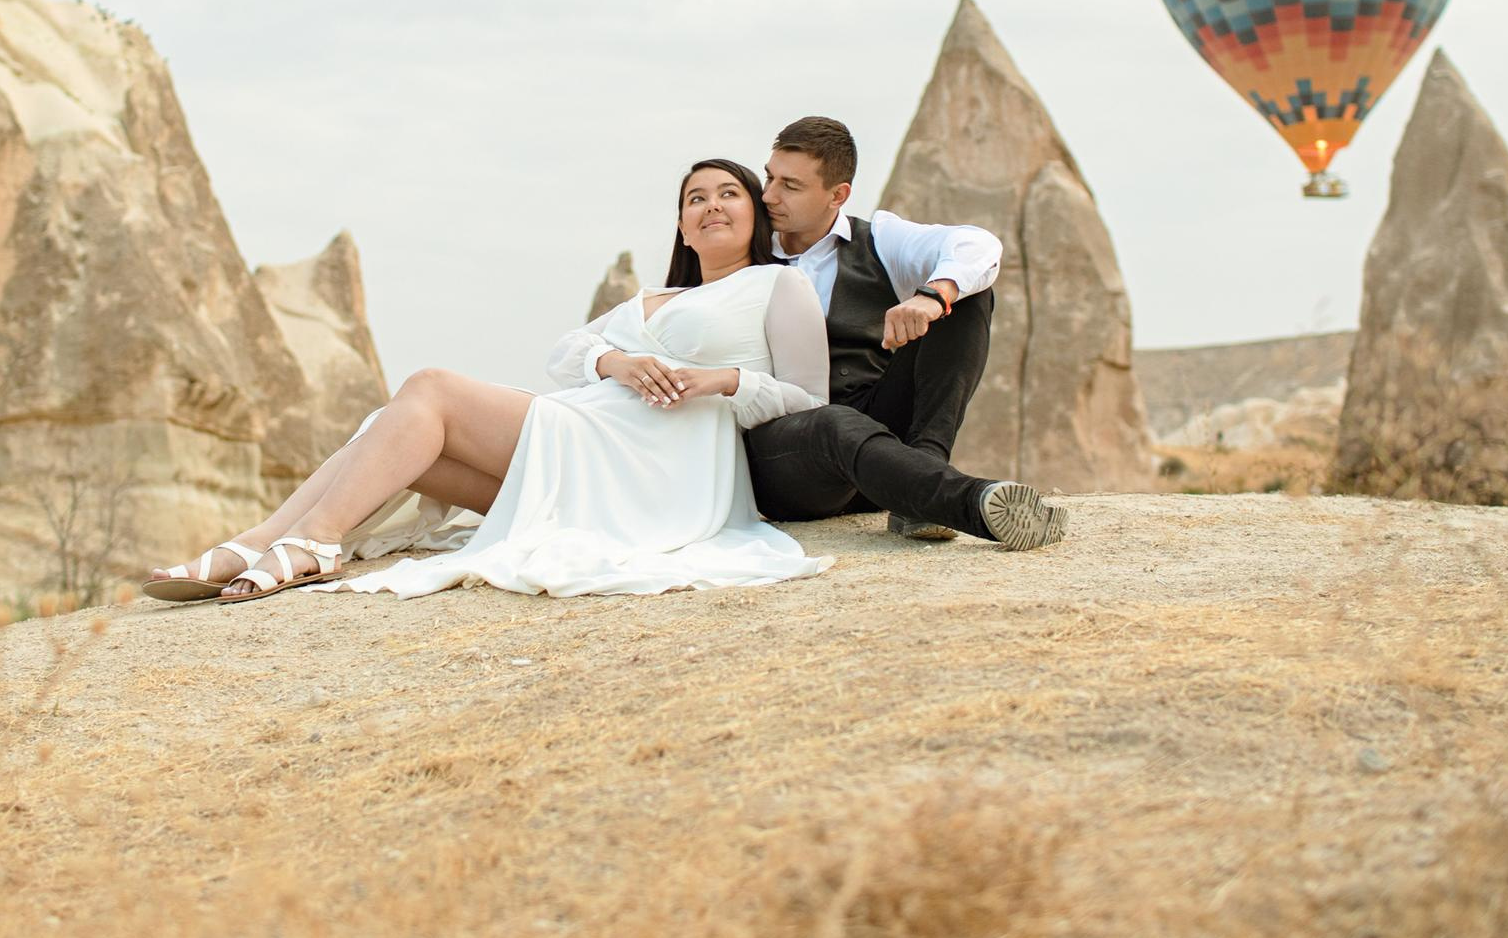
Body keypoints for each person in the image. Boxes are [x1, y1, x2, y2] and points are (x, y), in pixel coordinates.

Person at [141, 158, 832, 603]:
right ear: (680, 224)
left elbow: (809, 400)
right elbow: (565, 353)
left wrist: (721, 380)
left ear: (754, 213)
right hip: (584, 444)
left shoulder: (777, 285)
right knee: (400, 441)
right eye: (694, 198)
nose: (711, 205)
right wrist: (615, 361)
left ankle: (311, 539)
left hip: (654, 474)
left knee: (431, 389)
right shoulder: (643, 301)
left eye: (728, 194)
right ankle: (262, 540)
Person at [744, 115, 1066, 551]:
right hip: (792, 462)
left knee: (966, 295)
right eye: (769, 177)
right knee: (832, 423)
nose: (769, 195)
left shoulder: (877, 238)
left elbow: (978, 245)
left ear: (837, 195)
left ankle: (920, 481)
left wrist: (933, 295)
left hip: (881, 450)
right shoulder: (745, 252)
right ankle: (960, 501)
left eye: (790, 186)